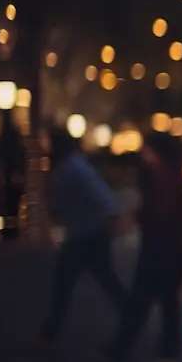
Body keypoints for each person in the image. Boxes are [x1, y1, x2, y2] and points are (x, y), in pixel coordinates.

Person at [102, 133, 182, 362]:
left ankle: (121, 349)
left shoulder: (161, 177)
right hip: (172, 248)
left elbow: (160, 213)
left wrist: (139, 219)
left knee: (143, 298)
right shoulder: (173, 174)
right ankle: (166, 350)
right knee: (165, 299)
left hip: (161, 248)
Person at [36, 128, 127, 348]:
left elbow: (99, 197)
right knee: (104, 281)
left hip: (85, 236)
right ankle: (131, 317)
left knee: (65, 283)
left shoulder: (73, 168)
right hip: (87, 234)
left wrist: (111, 218)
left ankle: (49, 334)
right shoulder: (74, 166)